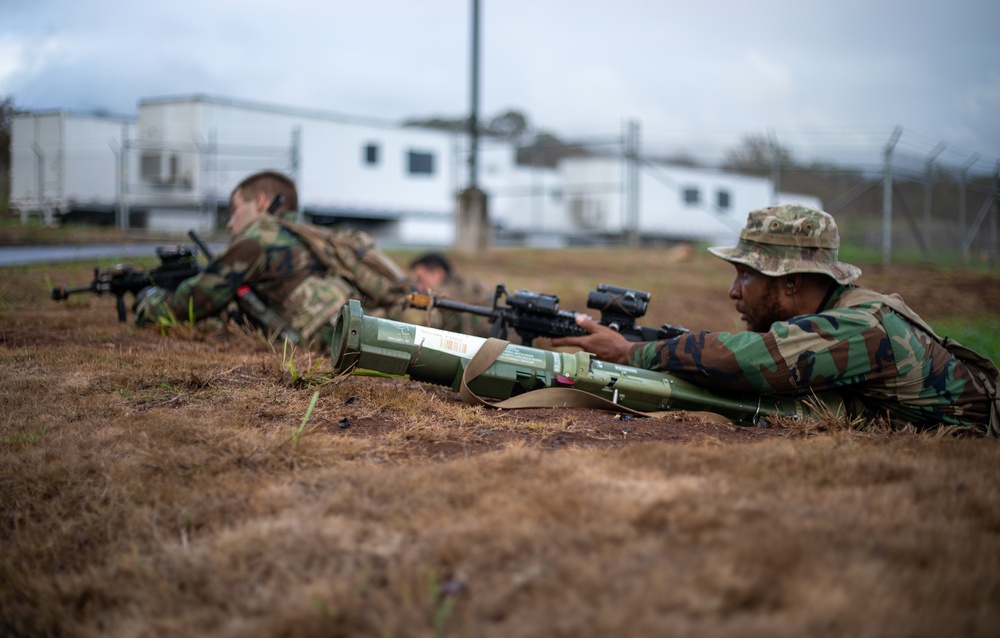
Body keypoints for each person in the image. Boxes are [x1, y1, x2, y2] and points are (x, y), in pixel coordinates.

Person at [552, 204, 998, 435]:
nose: (733, 291)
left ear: (789, 283)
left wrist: (632, 351)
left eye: (746, 275)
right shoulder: (844, 311)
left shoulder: (863, 325)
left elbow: (748, 361)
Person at [136, 170, 418, 349]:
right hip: (360, 325)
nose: (231, 223)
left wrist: (147, 302)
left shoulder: (257, 241)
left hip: (334, 340)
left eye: (234, 209)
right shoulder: (307, 235)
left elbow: (192, 304)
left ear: (259, 202)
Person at [409, 252, 495, 337]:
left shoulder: (458, 291)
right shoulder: (463, 286)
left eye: (421, 280)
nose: (419, 287)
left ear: (437, 274)